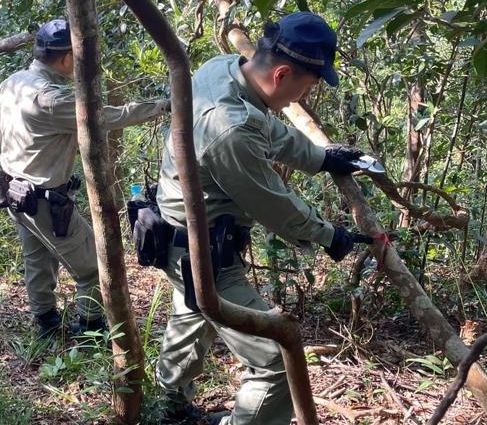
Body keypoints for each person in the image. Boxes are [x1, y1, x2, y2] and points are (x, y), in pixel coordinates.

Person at [154, 12, 366, 425]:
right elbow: (271, 203)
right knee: (278, 364)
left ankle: (169, 411)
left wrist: (322, 159)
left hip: (178, 236)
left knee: (190, 316)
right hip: (205, 254)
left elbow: (269, 130)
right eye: (304, 88)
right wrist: (328, 236)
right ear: (282, 73)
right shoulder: (228, 128)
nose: (298, 99)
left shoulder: (224, 70)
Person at [0, 19, 170, 338]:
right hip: (43, 200)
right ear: (65, 59)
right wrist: (164, 106)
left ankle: (45, 324)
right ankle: (90, 328)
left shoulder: (11, 83)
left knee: (38, 259)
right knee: (92, 265)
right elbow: (109, 117)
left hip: (15, 192)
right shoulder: (51, 100)